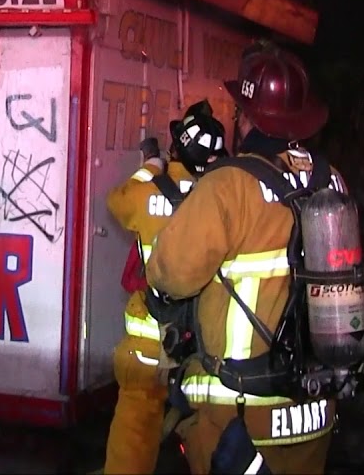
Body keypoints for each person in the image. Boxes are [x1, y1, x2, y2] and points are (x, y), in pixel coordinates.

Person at [146, 41, 349, 475]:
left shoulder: (229, 185)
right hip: (315, 407)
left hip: (240, 414)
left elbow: (170, 274)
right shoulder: (332, 182)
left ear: (246, 116)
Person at [102, 100, 229, 475]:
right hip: (205, 342)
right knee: (211, 428)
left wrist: (150, 166)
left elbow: (117, 202)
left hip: (149, 340)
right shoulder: (221, 196)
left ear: (177, 146)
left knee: (135, 428)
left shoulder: (147, 193)